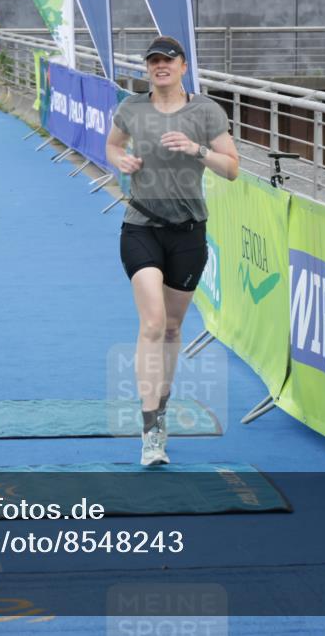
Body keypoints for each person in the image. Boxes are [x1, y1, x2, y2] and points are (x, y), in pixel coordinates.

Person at [105, 36, 240, 466]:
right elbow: (112, 144)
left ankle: (160, 413)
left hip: (188, 233)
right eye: (153, 62)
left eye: (168, 60)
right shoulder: (132, 108)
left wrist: (198, 149)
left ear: (183, 66)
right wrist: (119, 160)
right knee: (152, 322)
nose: (160, 67)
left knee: (172, 329)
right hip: (140, 225)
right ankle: (149, 430)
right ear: (147, 69)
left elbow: (233, 168)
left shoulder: (206, 112)